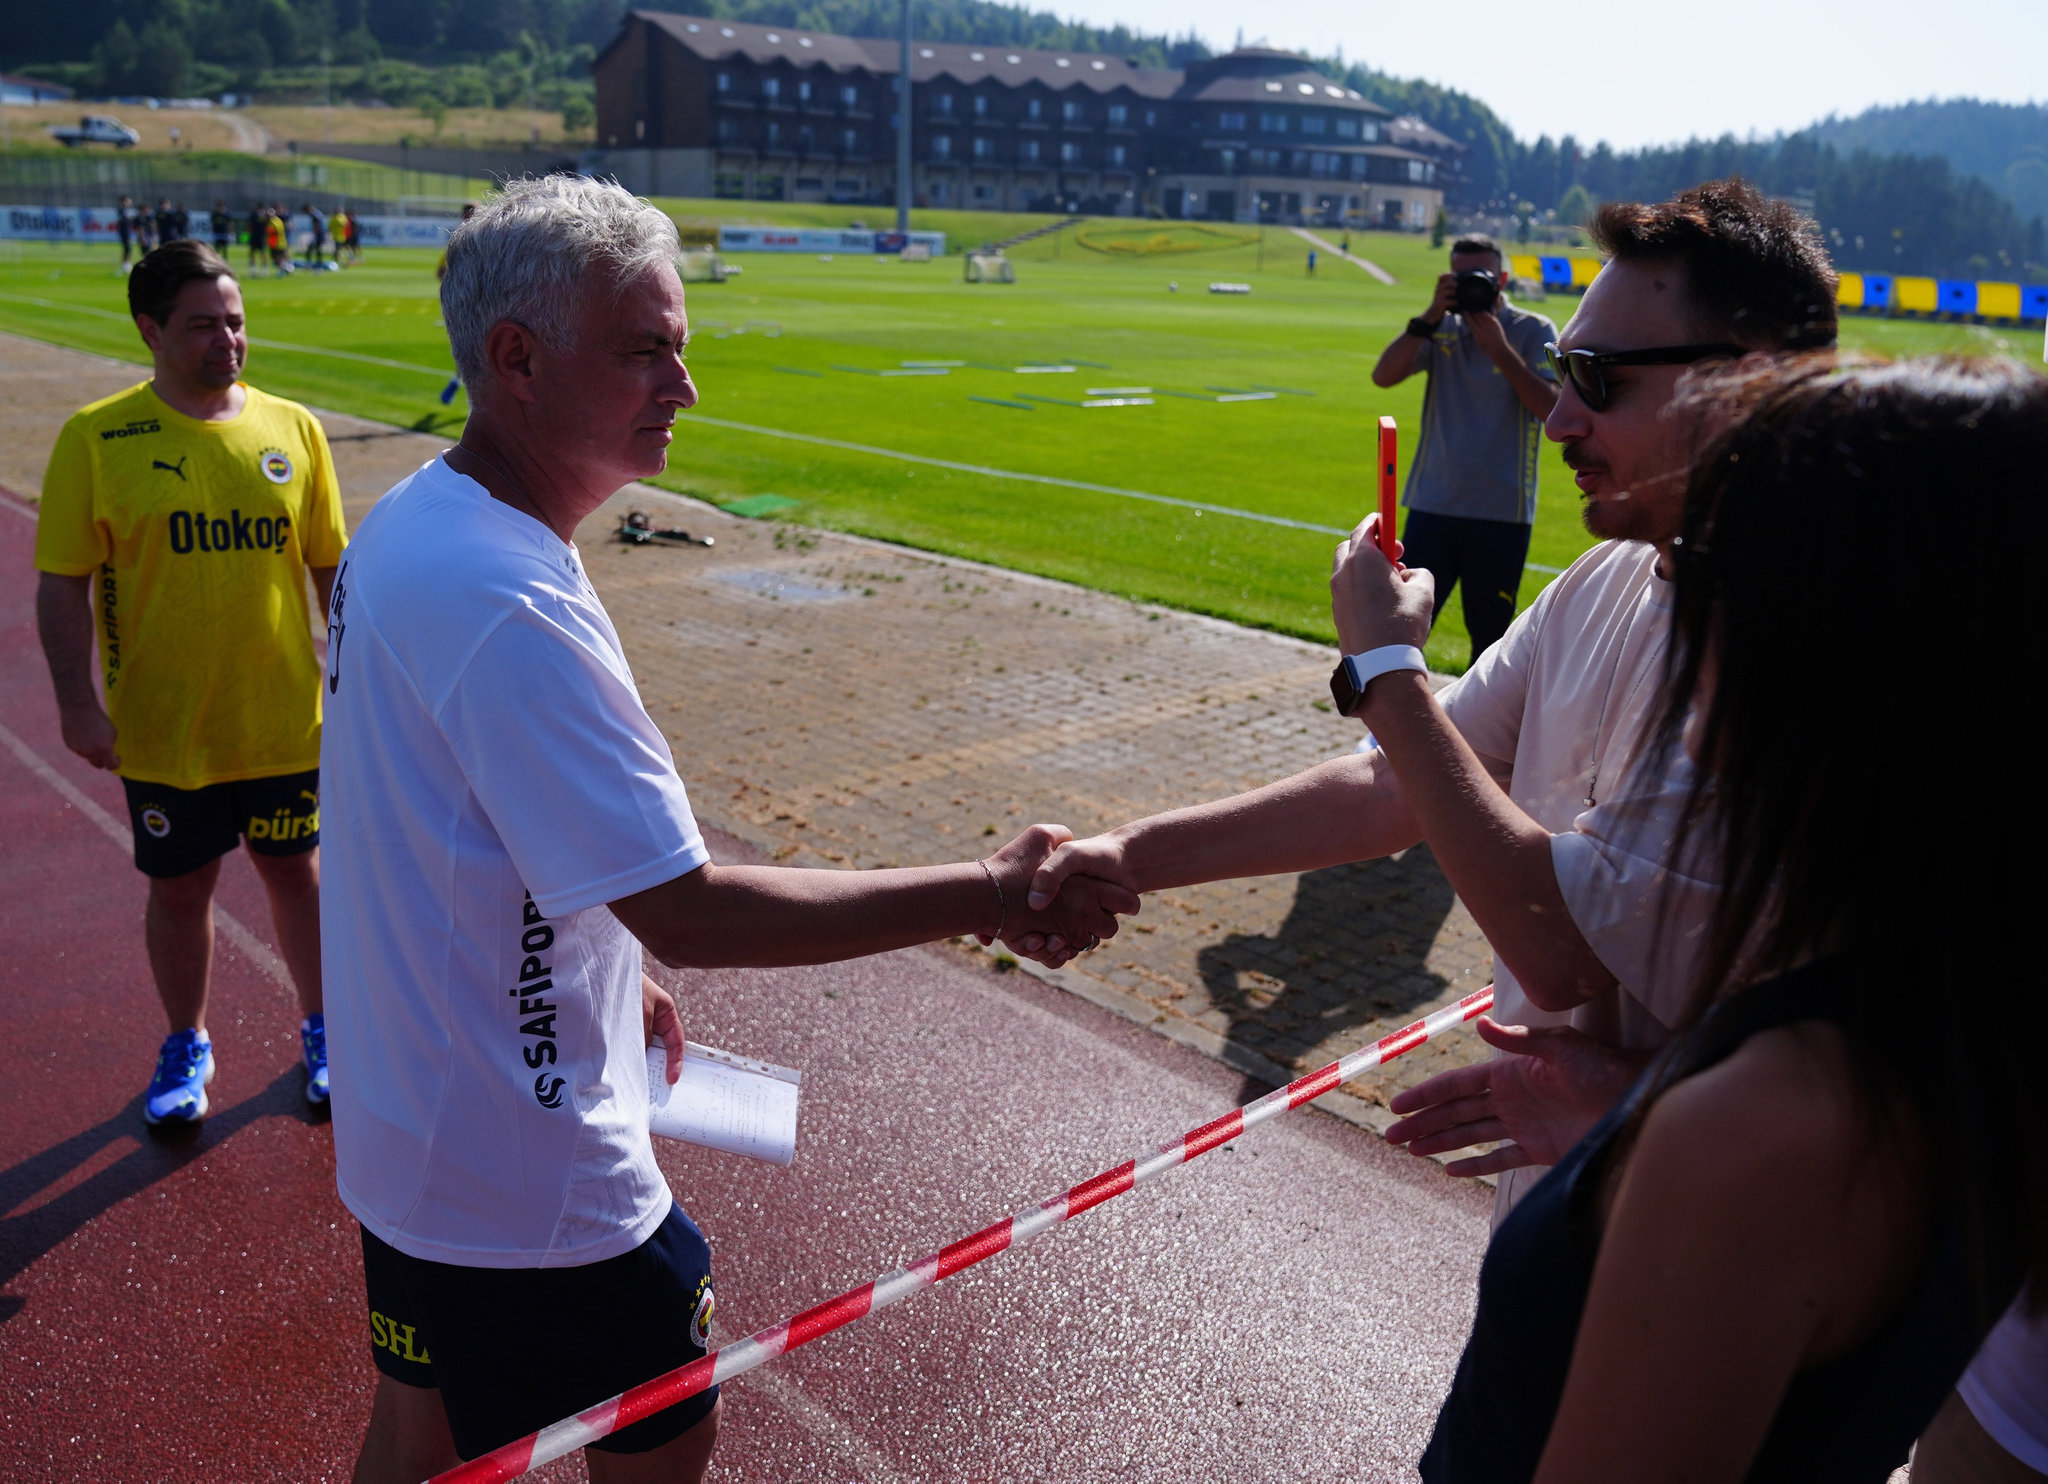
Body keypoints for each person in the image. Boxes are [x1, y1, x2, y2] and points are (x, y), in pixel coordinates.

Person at [322, 175, 1132, 1482]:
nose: (682, 388)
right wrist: (990, 888)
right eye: (645, 350)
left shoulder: (423, 520)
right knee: (655, 1439)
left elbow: (447, 812)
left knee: (420, 1435)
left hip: (419, 1140)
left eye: (679, 348)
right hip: (534, 1186)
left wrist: (606, 947)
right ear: (517, 358)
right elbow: (693, 906)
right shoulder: (503, 595)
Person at [1032, 180, 1838, 1220]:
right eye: (1560, 373)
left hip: (1722, 1263)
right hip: (1571, 1208)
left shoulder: (1802, 648)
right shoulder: (1606, 580)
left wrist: (1386, 669)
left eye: (1594, 378)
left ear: (1746, 384)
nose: (1558, 418)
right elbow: (1392, 785)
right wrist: (1131, 854)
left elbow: (1557, 949)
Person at [1388, 353, 2044, 1481]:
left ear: (1839, 638)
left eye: (1704, 560)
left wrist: (1678, 1146)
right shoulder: (1958, 1000)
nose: (1670, 592)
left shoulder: (1769, 1123)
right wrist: (1631, 1124)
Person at [33, 240, 347, 1126]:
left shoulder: (294, 430)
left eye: (237, 321)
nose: (229, 340)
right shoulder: (97, 439)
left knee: (300, 876)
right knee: (180, 889)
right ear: (150, 330)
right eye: (204, 324)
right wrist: (74, 704)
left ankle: (325, 1032)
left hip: (284, 722)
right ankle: (187, 1043)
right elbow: (61, 583)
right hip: (164, 731)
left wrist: (366, 685)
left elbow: (333, 573)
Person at [1370, 232, 1560, 664]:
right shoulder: (1440, 328)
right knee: (1401, 625)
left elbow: (1551, 409)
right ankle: (1388, 729)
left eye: (1481, 276)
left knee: (1490, 638)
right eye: (1460, 277)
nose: (1471, 284)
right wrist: (1431, 315)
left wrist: (1499, 349)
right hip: (1433, 503)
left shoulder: (1532, 330)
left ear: (1503, 279)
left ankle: (1477, 733)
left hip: (1500, 513)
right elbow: (1383, 376)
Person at [115, 194, 137, 266]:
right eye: (128, 201)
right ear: (124, 201)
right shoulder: (121, 210)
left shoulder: (126, 210)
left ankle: (126, 263)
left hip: (127, 231)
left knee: (128, 247)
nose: (130, 202)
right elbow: (123, 220)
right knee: (127, 247)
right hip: (124, 231)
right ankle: (126, 263)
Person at [246, 203, 266, 270]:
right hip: (254, 236)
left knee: (263, 253)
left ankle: (264, 269)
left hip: (262, 237)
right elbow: (249, 225)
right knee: (252, 253)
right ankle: (253, 269)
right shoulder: (253, 215)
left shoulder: (266, 217)